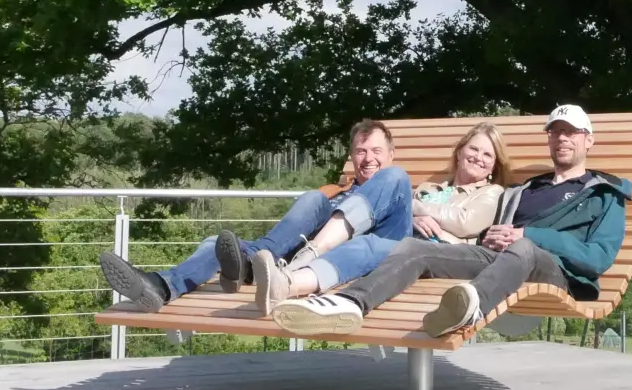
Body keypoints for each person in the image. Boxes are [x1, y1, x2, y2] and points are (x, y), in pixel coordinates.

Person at [271, 104, 630, 338]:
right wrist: (489, 238)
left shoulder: (603, 193)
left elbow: (597, 257)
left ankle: (468, 307)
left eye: (572, 132)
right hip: (498, 257)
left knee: (524, 247)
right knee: (416, 248)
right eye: (556, 132)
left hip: (555, 272)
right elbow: (485, 228)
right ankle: (349, 303)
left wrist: (527, 233)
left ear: (589, 141)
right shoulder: (525, 189)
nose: (562, 138)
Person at [98, 119, 413, 312]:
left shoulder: (401, 186)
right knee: (217, 242)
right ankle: (163, 287)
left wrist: (426, 210)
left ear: (391, 154)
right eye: (360, 151)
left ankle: (252, 262)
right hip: (300, 254)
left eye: (375, 151)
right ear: (351, 157)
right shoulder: (336, 192)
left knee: (390, 178)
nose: (367, 158)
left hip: (370, 250)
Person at [246, 121, 511, 314]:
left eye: (487, 154)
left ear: (494, 165)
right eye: (473, 149)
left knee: (394, 181)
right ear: (461, 151)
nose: (478, 157)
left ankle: (298, 270)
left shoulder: (491, 193)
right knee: (366, 238)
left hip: (438, 255)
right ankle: (295, 272)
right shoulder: (433, 188)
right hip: (405, 243)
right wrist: (411, 213)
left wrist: (413, 206)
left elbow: (464, 222)